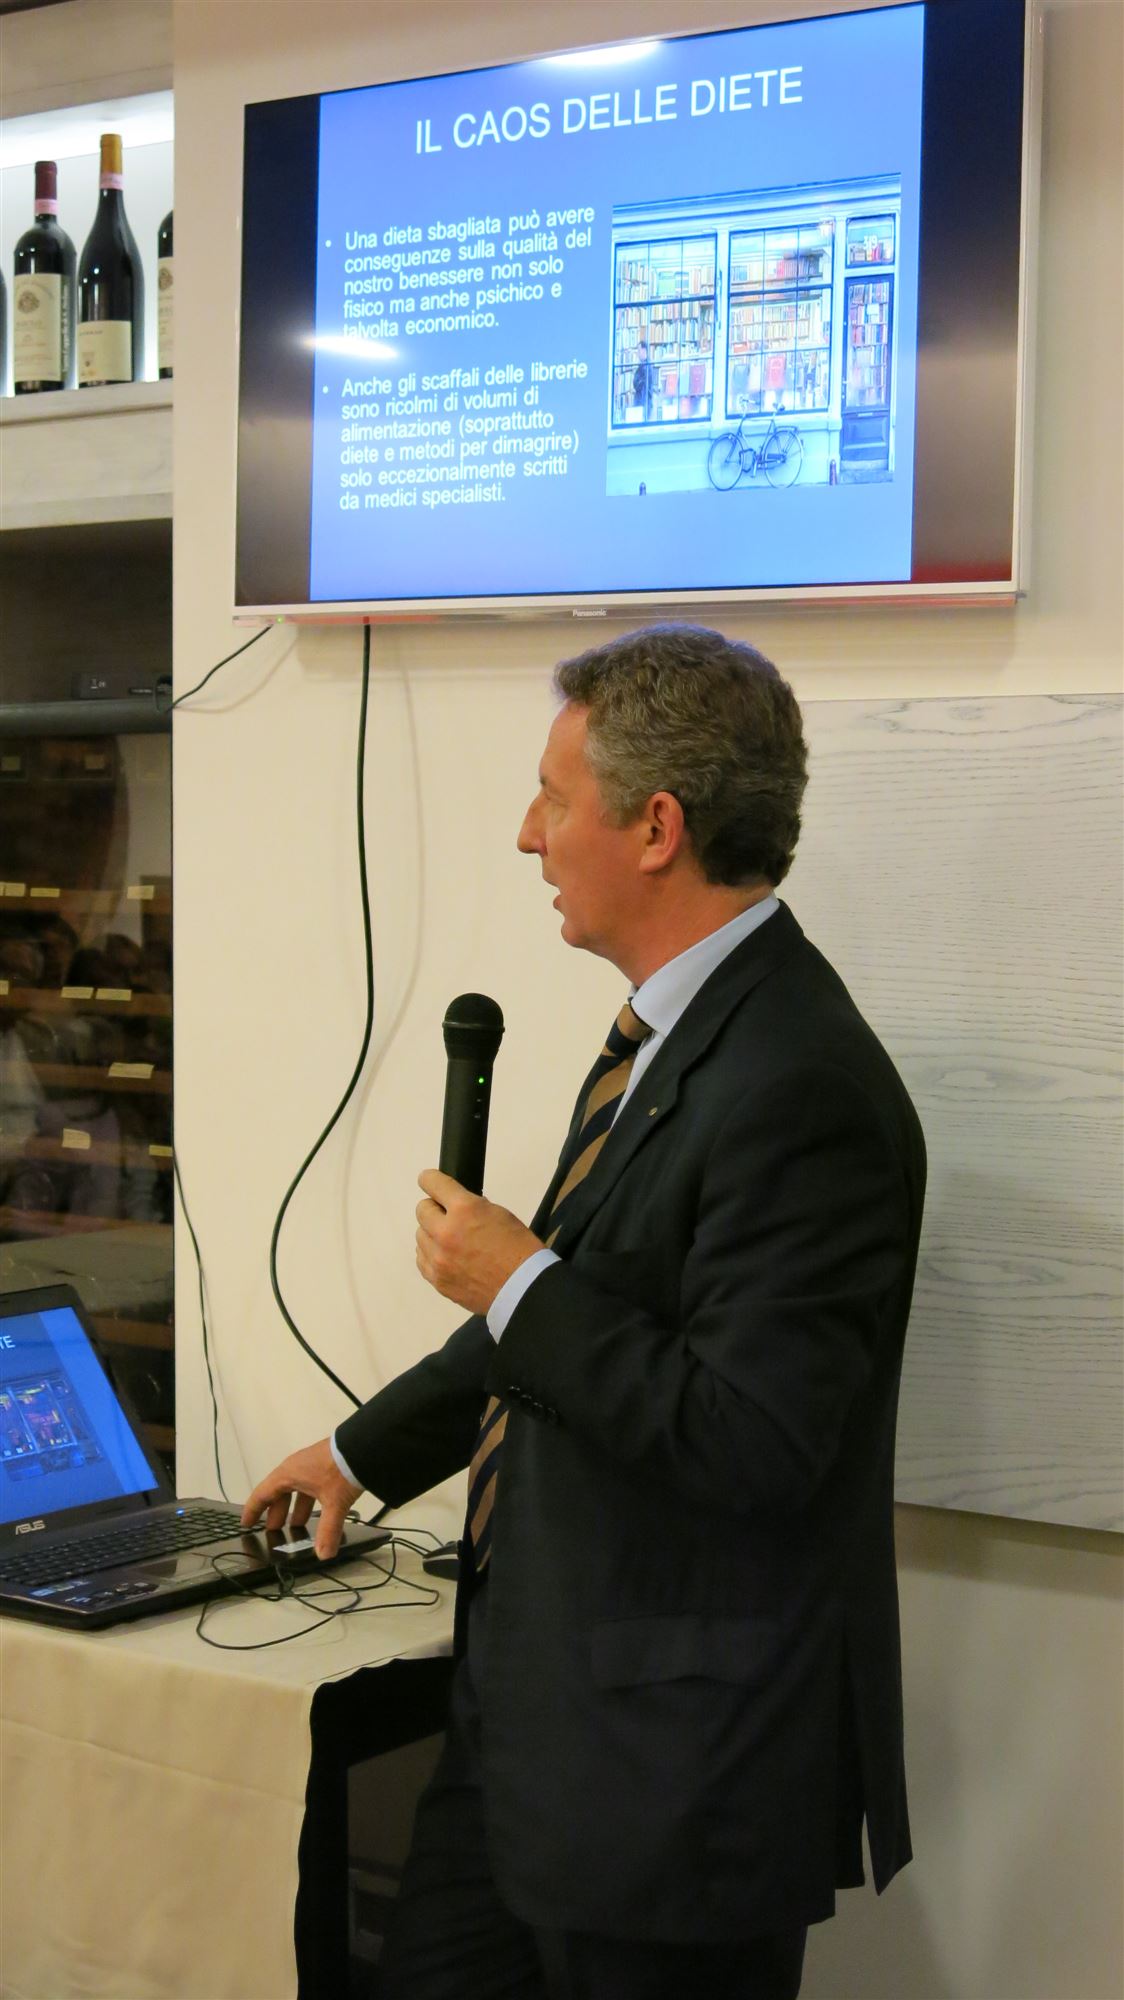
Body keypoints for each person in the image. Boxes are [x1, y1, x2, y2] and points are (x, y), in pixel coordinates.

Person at [243, 625, 927, 2000]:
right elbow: (574, 1314)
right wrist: (360, 1453)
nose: (525, 834)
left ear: (656, 827)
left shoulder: (802, 1081)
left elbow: (751, 1437)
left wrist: (515, 1276)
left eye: (553, 799)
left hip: (674, 1785)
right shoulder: (674, 1036)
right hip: (532, 1734)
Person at [632, 339, 657, 417]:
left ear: (644, 350)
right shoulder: (643, 365)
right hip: (642, 400)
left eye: (639, 350)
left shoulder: (646, 366)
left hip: (643, 402)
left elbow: (640, 384)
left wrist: (636, 383)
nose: (637, 353)